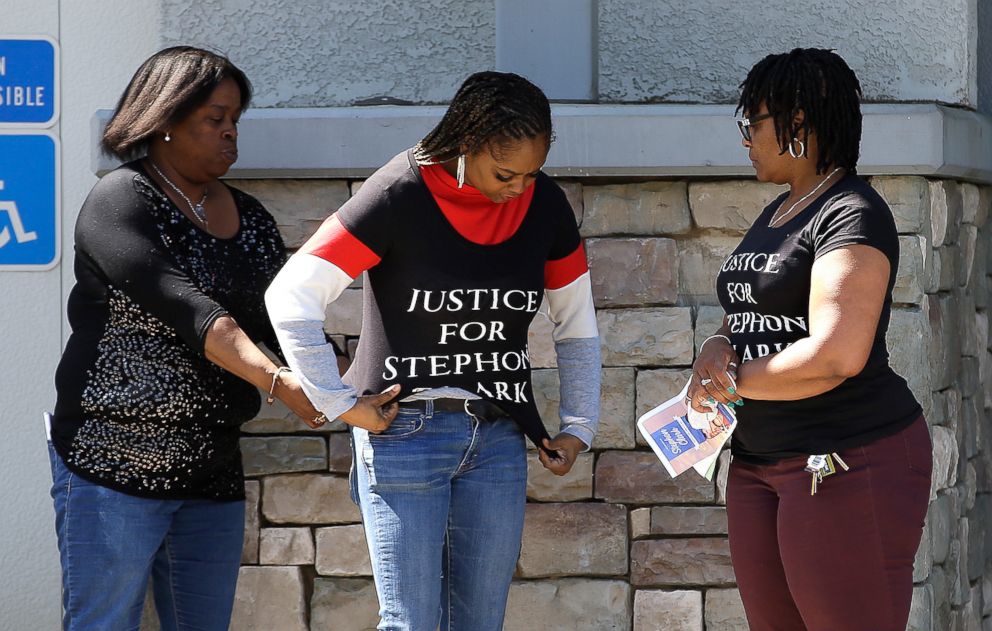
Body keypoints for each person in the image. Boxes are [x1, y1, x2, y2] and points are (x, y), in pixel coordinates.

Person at [266, 71, 601, 631]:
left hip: (497, 439)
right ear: (466, 144)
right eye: (505, 173)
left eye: (531, 173)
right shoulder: (400, 192)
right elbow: (290, 295)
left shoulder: (545, 205)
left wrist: (580, 425)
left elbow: (577, 325)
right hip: (404, 436)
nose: (519, 187)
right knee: (411, 624)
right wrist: (338, 401)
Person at [49, 46, 325, 631]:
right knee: (104, 623)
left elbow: (284, 322)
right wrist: (278, 380)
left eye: (235, 122)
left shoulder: (250, 218)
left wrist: (341, 380)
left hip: (211, 469)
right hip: (113, 463)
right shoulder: (121, 200)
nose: (230, 135)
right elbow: (194, 313)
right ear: (165, 121)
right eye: (214, 120)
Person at [688, 48, 932, 631]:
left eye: (753, 124)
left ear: (798, 123)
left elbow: (836, 354)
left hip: (845, 459)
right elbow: (755, 309)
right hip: (757, 464)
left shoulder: (851, 212)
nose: (745, 139)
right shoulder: (782, 210)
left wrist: (727, 386)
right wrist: (716, 347)